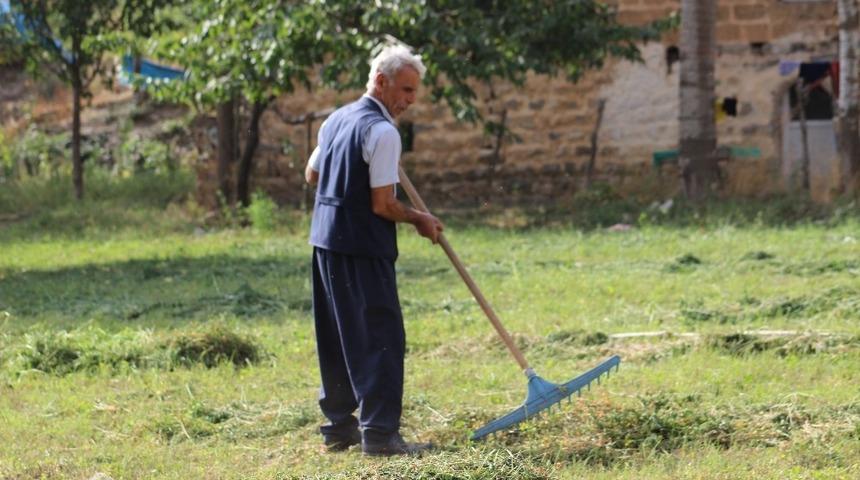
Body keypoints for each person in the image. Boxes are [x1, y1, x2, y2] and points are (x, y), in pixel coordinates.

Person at [304, 45, 443, 456]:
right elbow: (383, 205)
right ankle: (380, 435)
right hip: (363, 248)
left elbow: (312, 174)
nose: (410, 100)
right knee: (380, 336)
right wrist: (419, 217)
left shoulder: (337, 119)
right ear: (380, 82)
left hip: (326, 242)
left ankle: (339, 427)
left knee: (338, 336)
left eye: (415, 92)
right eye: (405, 89)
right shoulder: (382, 132)